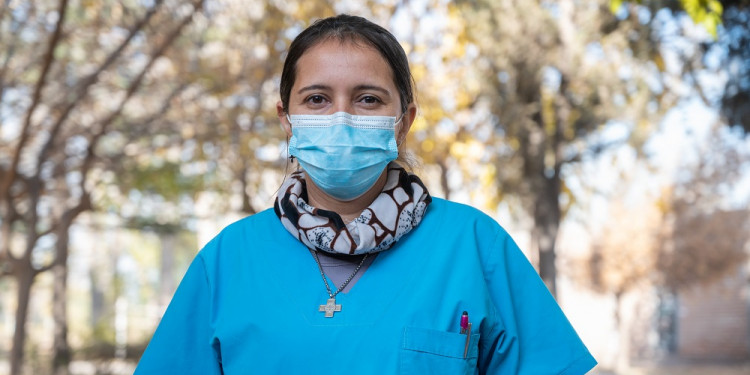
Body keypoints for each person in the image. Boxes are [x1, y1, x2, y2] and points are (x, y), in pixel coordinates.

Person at [135, 14, 597, 374]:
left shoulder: (475, 246)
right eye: (317, 99)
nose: (341, 117)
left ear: (405, 120)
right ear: (286, 119)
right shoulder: (226, 261)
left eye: (368, 99)